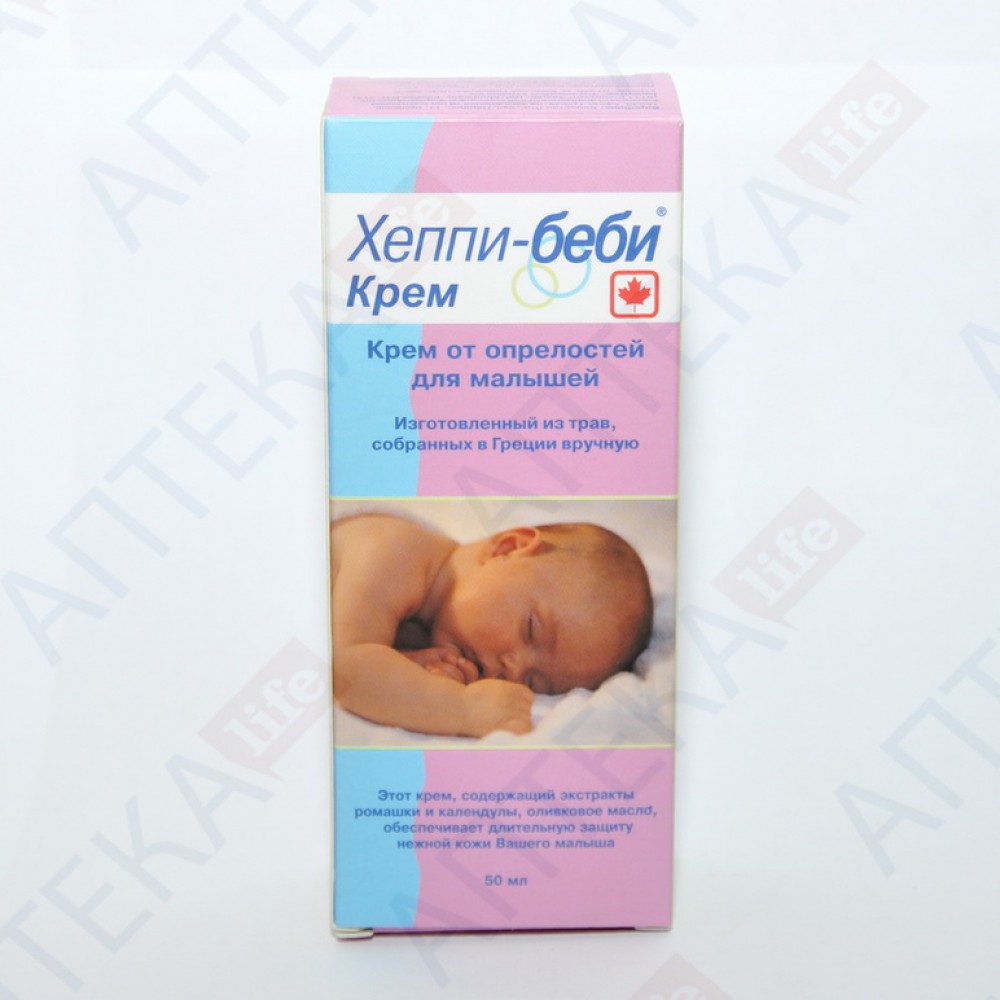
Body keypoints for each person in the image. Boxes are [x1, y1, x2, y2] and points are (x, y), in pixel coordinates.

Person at [331, 512, 652, 737]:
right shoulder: (392, 552)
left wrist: (410, 666)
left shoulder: (435, 618)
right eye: (530, 630)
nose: (512, 668)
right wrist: (460, 708)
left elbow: (375, 660)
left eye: (532, 681)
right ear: (508, 548)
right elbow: (347, 669)